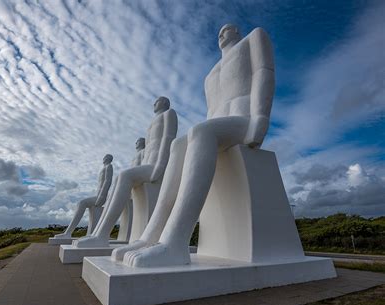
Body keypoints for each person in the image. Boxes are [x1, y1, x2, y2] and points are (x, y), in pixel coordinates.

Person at [114, 24, 275, 267]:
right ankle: (150, 236)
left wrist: (260, 118)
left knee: (199, 131)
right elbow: (212, 110)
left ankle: (176, 241)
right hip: (219, 125)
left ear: (237, 32)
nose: (221, 33)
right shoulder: (211, 74)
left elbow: (264, 72)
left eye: (227, 29)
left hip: (243, 119)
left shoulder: (253, 38)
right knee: (179, 145)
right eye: (218, 31)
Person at [74, 97, 178, 248]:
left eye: (157, 101)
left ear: (164, 103)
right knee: (119, 179)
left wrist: (160, 166)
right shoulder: (151, 124)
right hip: (148, 163)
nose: (154, 104)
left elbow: (169, 138)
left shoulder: (169, 114)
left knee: (124, 175)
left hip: (156, 165)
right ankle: (97, 234)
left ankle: (102, 234)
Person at [54, 154, 113, 238]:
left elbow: (108, 181)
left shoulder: (109, 166)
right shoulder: (104, 168)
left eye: (106, 157)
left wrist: (101, 196)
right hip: (98, 196)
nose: (104, 158)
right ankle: (68, 232)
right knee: (81, 203)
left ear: (108, 159)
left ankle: (68, 233)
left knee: (82, 203)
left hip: (101, 197)